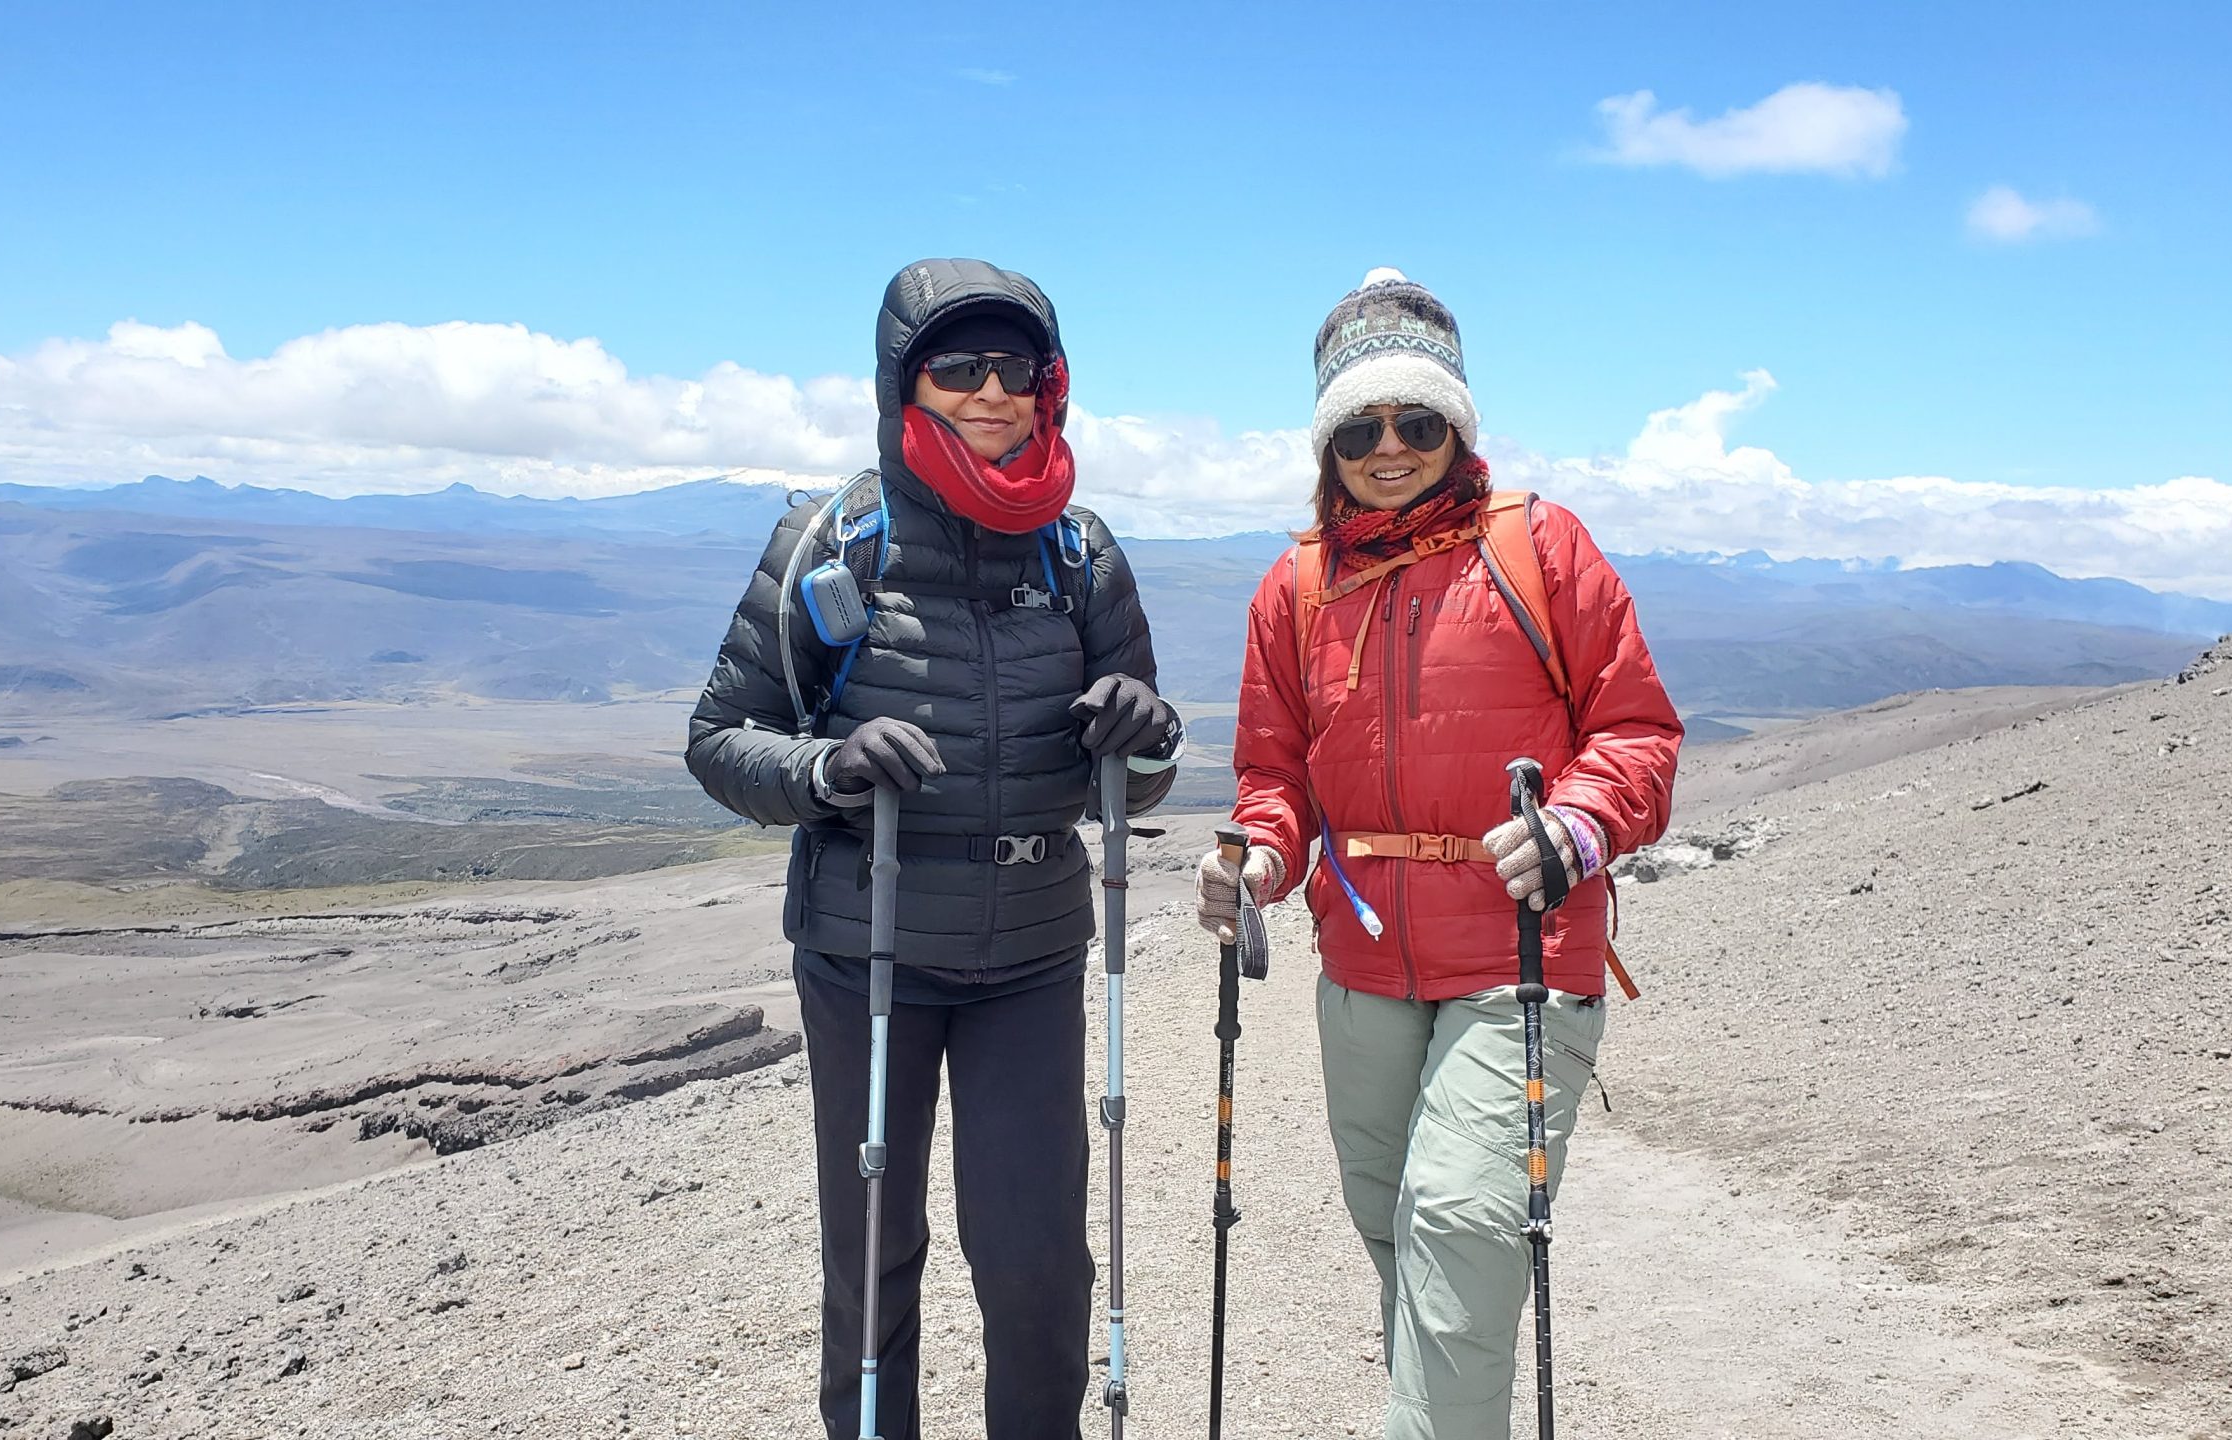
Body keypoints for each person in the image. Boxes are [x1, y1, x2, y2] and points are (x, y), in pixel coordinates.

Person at [688, 257, 1181, 1440]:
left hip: (1030, 954)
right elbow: (717, 739)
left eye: (1018, 368)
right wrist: (826, 770)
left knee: (1037, 1262)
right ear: (903, 384)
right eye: (959, 366)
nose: (993, 390)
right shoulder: (830, 541)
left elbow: (1145, 772)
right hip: (871, 949)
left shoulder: (1080, 554)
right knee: (873, 1252)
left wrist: (1145, 732)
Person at [1194, 268, 1680, 1439]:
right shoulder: (1297, 584)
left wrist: (1579, 824)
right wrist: (1259, 857)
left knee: (1458, 1224)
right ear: (1328, 444)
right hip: (1361, 969)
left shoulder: (1540, 549)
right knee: (1399, 1228)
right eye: (1359, 427)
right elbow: (1276, 774)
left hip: (1522, 956)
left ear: (1457, 425)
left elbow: (1637, 732)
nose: (1390, 446)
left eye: (1417, 421)